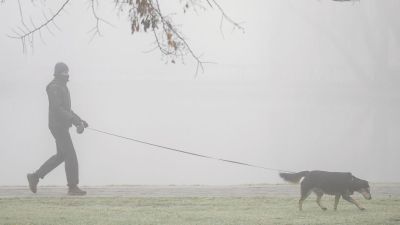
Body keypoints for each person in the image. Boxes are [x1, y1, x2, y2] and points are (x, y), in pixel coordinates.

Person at [27, 62, 88, 196]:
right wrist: (74, 120)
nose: (66, 74)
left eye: (67, 71)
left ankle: (35, 176)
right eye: (64, 72)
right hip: (57, 126)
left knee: (61, 156)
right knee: (70, 155)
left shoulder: (62, 87)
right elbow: (57, 109)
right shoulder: (53, 87)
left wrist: (79, 120)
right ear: (58, 73)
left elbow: (67, 109)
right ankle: (72, 187)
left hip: (62, 125)